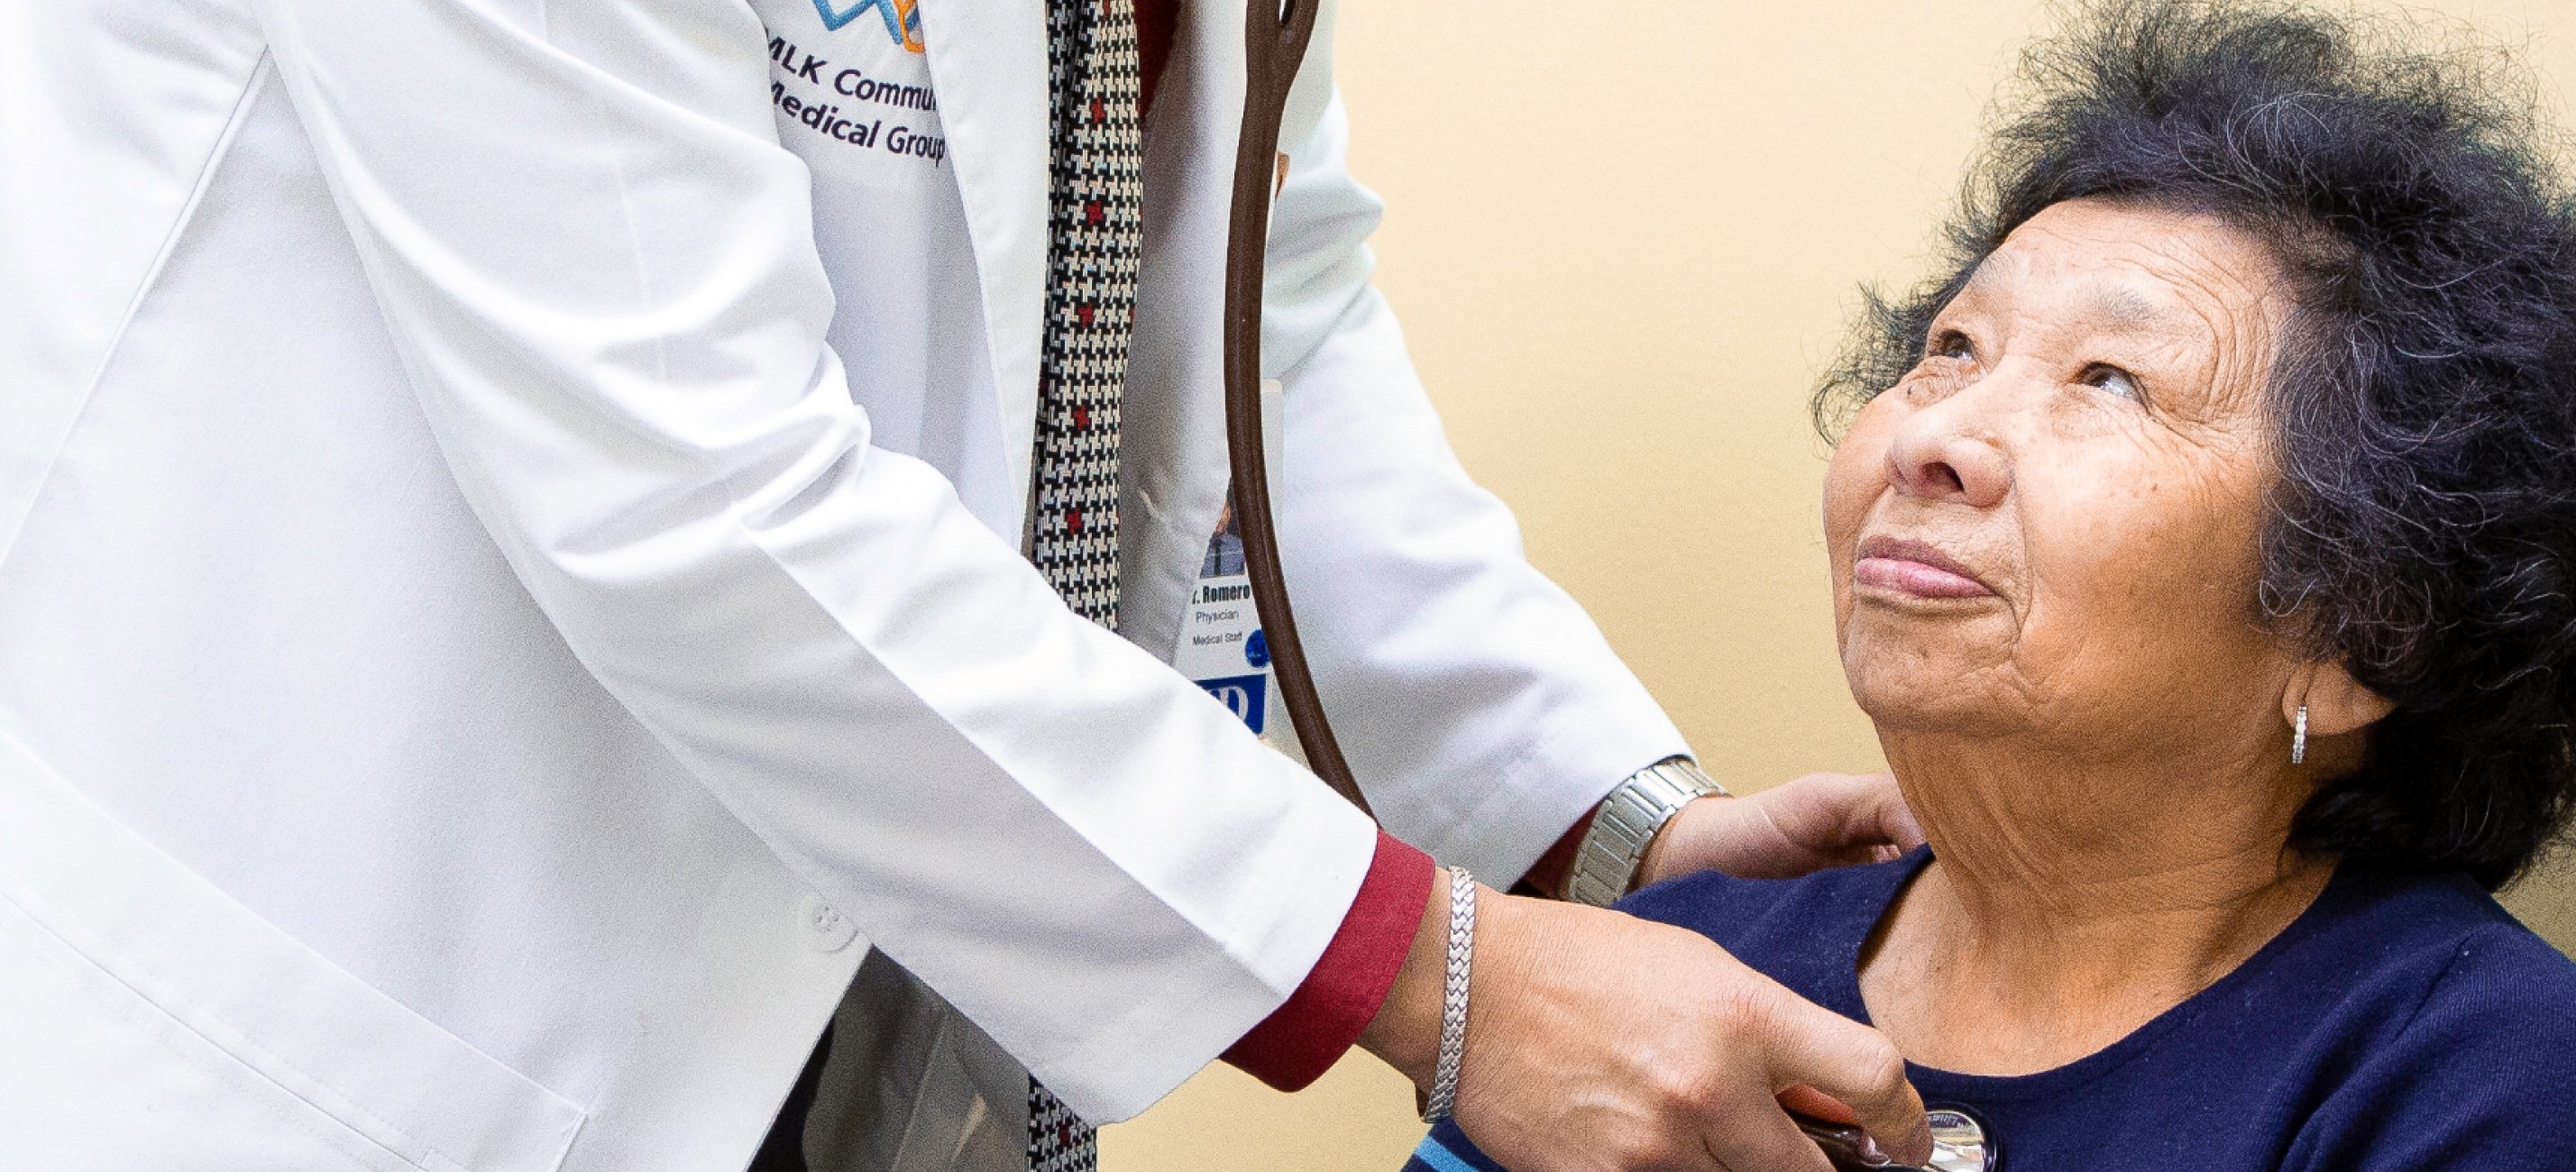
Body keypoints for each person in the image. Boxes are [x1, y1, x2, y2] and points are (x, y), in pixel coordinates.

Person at [0, 0, 1934, 1169]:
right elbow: (695, 487)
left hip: (840, 1013)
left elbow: (1259, 322)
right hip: (346, 1004)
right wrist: (1430, 970)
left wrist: (1588, 830)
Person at [1411, 4, 2576, 1168]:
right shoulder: (1670, 978)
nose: (1932, 438)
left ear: (2356, 630)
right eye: (1950, 348)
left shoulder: (2467, 1068)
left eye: (2109, 380)